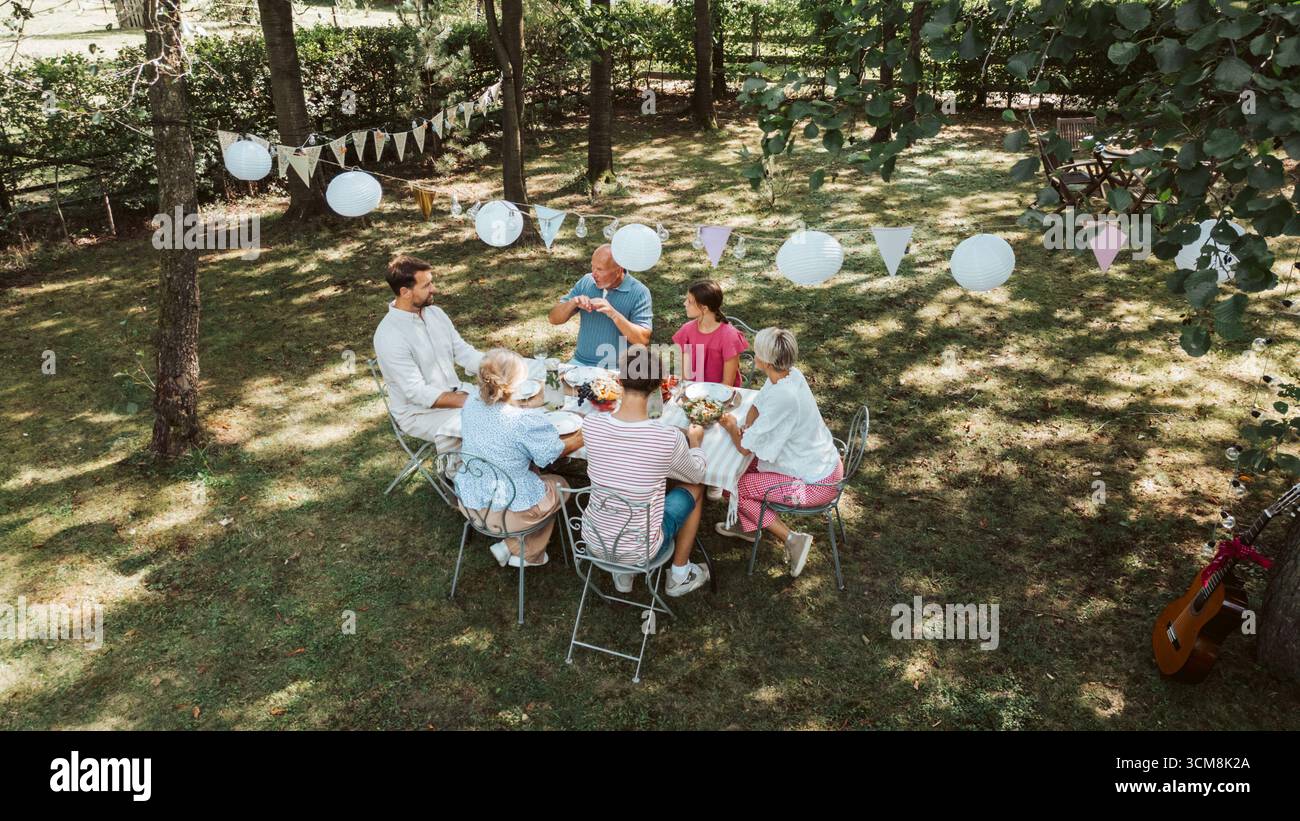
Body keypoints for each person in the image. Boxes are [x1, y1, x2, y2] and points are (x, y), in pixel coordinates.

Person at [580, 344, 711, 597]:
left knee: (626, 490)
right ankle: (679, 575)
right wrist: (695, 442)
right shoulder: (667, 437)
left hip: (594, 540)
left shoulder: (591, 424)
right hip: (641, 549)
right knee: (696, 487)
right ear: (657, 388)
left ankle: (623, 575)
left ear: (618, 381)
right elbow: (696, 473)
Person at [714, 328, 843, 578]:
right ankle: (748, 526)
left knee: (737, 484)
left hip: (817, 483)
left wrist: (732, 427)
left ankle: (793, 539)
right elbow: (759, 403)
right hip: (821, 462)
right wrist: (748, 425)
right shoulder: (789, 375)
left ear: (764, 361)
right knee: (732, 470)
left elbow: (744, 447)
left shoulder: (784, 396)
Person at [453, 350, 583, 568]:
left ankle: (516, 546)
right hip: (506, 514)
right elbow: (551, 454)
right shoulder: (521, 422)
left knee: (534, 479)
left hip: (470, 501)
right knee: (561, 486)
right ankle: (522, 550)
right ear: (514, 385)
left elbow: (498, 421)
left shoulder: (471, 403)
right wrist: (584, 435)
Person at [373, 254, 482, 453]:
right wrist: (472, 400)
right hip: (419, 413)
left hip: (457, 394)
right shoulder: (389, 335)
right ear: (405, 292)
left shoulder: (435, 313)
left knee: (514, 405)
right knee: (488, 423)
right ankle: (459, 475)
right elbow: (417, 392)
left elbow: (462, 351)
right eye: (426, 286)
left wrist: (497, 366)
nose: (434, 289)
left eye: (431, 282)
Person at [547, 244, 653, 368]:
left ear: (619, 269)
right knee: (551, 385)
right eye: (592, 267)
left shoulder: (639, 292)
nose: (593, 274)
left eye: (600, 269)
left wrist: (614, 314)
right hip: (581, 362)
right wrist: (573, 302)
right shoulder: (586, 282)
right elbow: (553, 319)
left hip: (618, 368)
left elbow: (643, 340)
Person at [672, 279, 748, 387]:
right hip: (692, 394)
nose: (684, 304)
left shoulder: (729, 337)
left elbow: (728, 384)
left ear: (704, 308)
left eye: (689, 301)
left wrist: (705, 402)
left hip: (721, 396)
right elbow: (686, 377)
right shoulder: (686, 331)